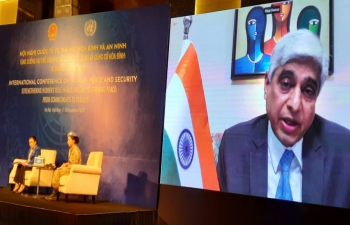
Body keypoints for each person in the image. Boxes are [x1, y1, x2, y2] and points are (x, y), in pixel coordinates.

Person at [217, 29, 350, 208]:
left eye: (308, 91)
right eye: (286, 84)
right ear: (267, 84)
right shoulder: (234, 145)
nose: (295, 105)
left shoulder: (343, 151)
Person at [45, 131, 82, 201]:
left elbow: (74, 165)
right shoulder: (71, 149)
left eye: (69, 140)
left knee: (57, 172)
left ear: (73, 140)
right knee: (58, 169)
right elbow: (71, 162)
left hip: (73, 170)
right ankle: (55, 192)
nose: (67, 142)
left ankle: (54, 194)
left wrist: (66, 166)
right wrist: (65, 164)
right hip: (71, 168)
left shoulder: (76, 151)